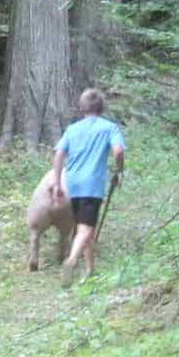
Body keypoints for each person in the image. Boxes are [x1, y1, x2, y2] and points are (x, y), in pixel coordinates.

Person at [47, 88, 126, 286]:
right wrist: (119, 170)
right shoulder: (110, 128)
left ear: (82, 107)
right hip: (93, 184)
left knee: (84, 227)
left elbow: (58, 155)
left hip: (73, 183)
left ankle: (90, 270)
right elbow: (118, 151)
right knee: (86, 230)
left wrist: (57, 182)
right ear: (102, 107)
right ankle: (72, 260)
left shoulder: (73, 129)